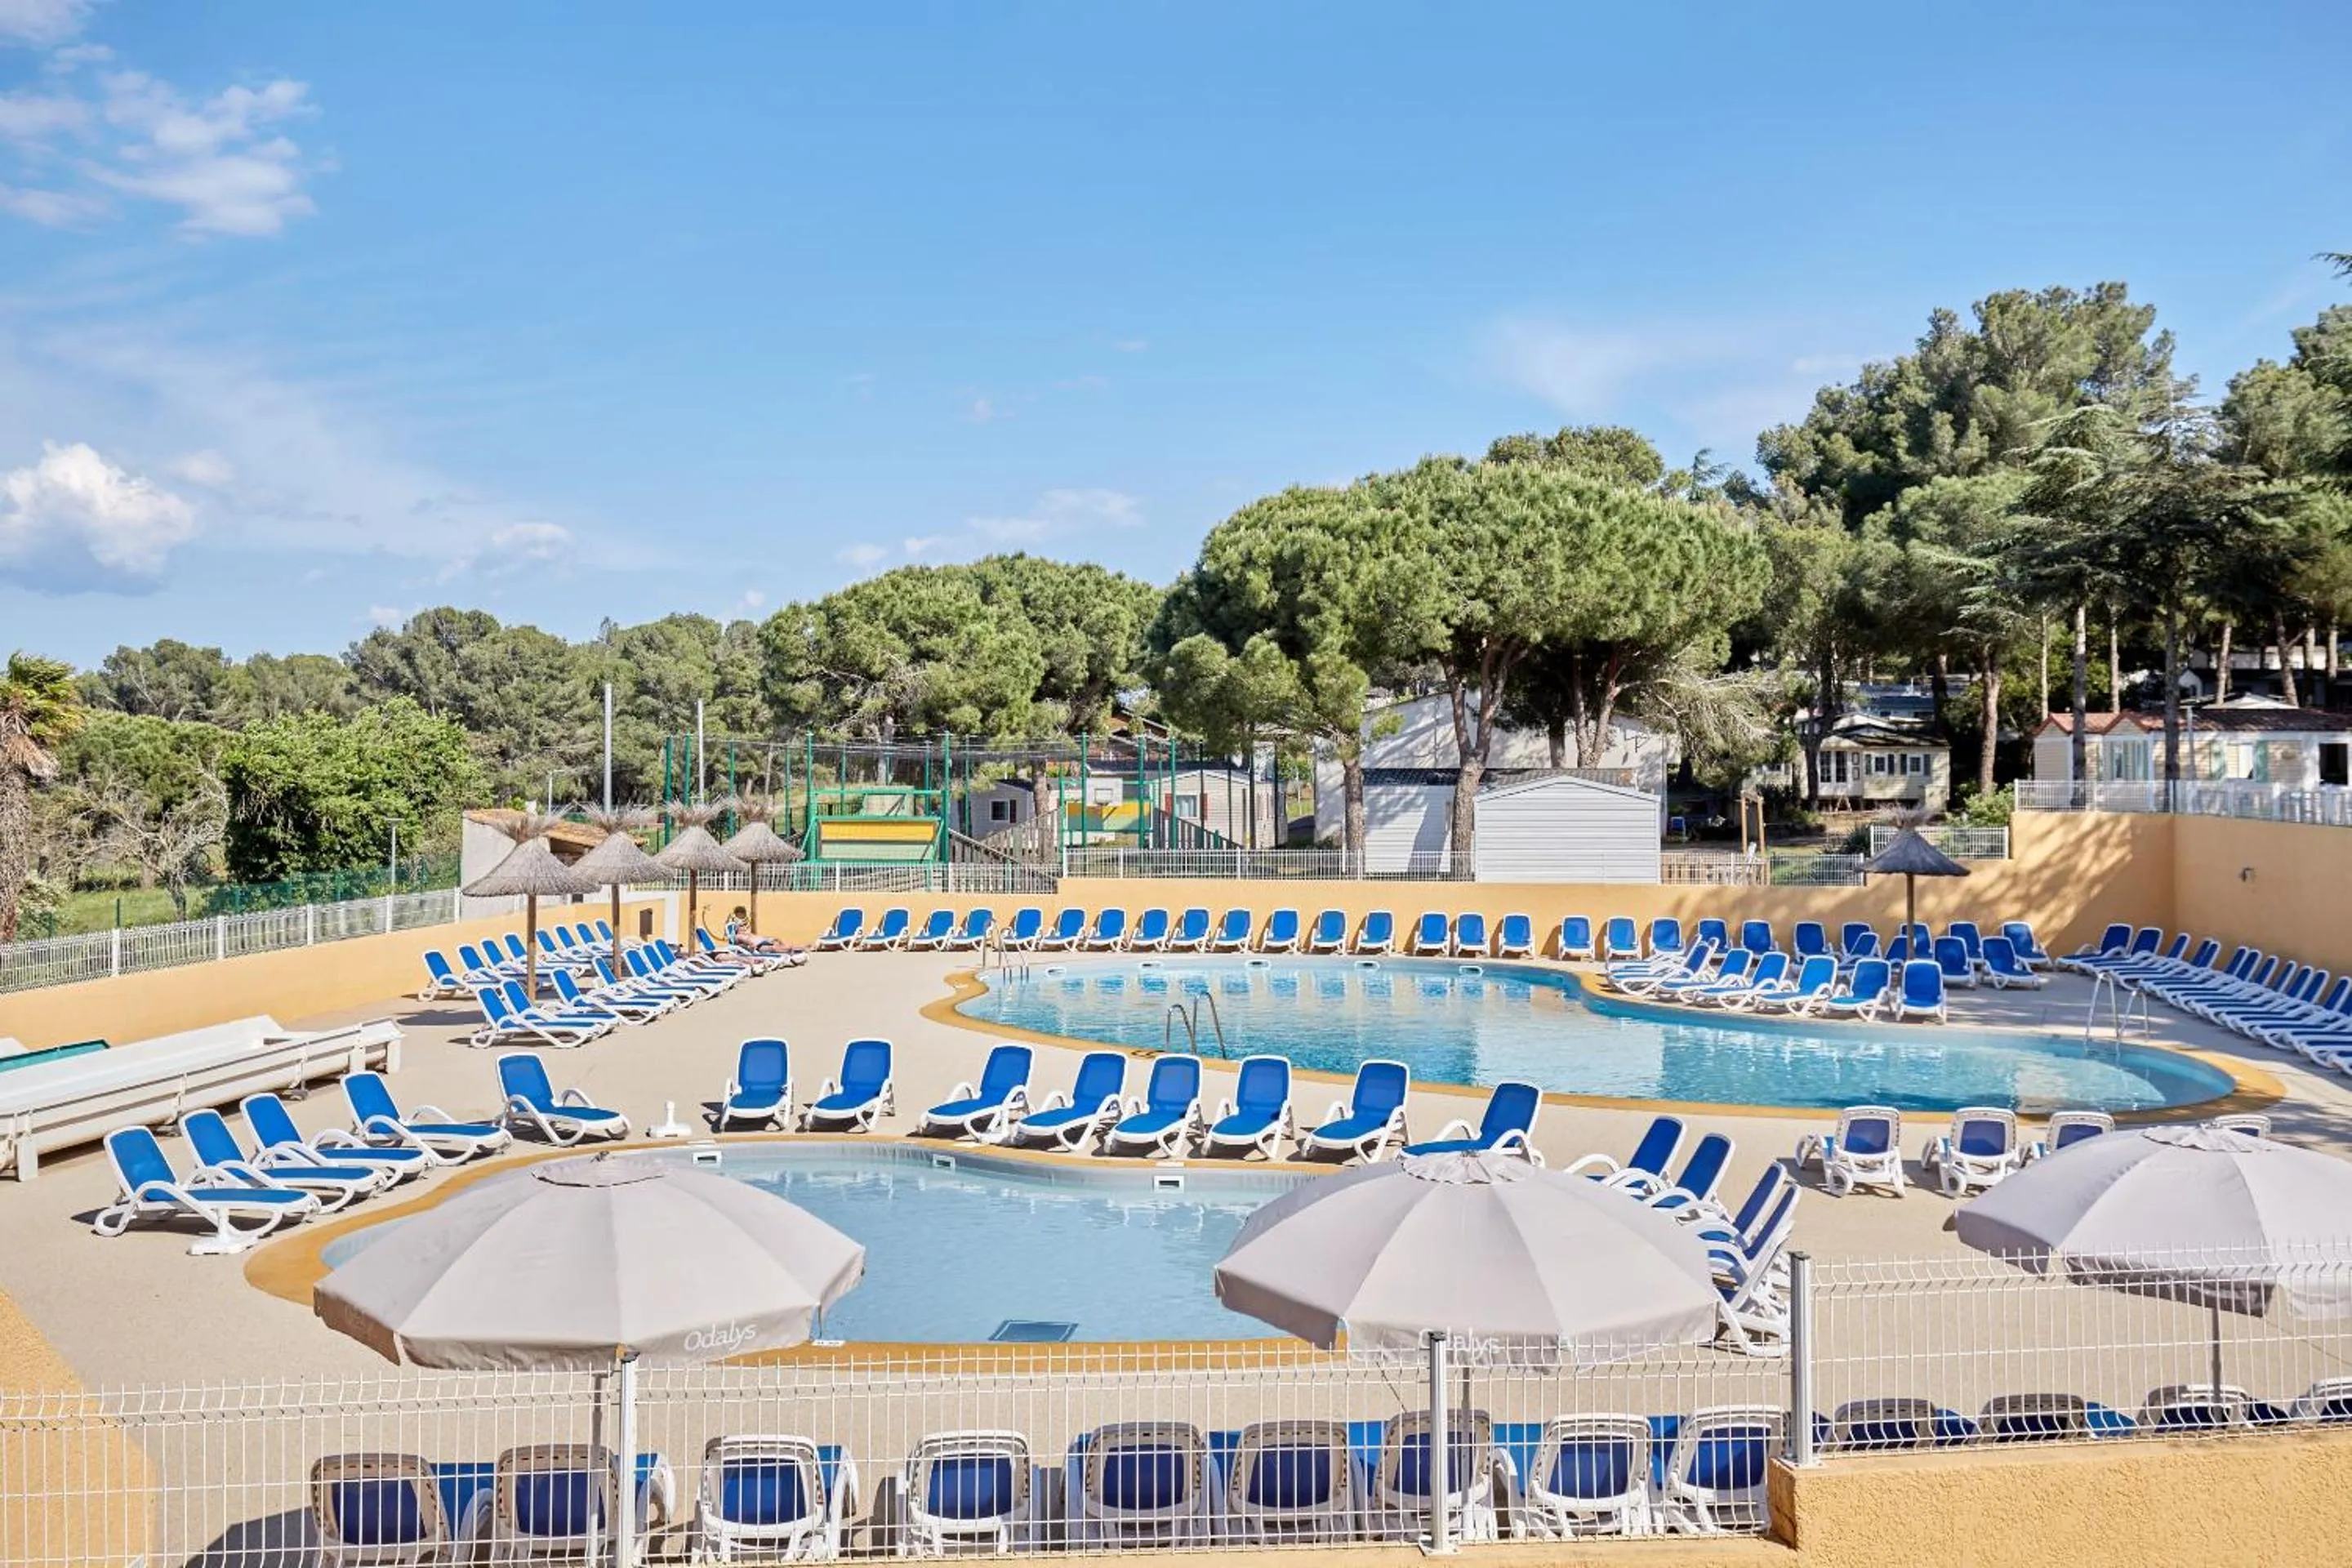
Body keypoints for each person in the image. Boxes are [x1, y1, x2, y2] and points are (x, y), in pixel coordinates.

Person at [726, 907, 807, 965]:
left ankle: (799, 949)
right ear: (736, 928)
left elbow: (758, 938)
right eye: (741, 926)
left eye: (744, 925)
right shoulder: (738, 936)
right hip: (759, 948)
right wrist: (751, 945)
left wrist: (769, 939)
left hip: (763, 942)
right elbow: (750, 944)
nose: (743, 927)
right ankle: (795, 952)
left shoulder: (747, 934)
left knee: (779, 942)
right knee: (775, 948)